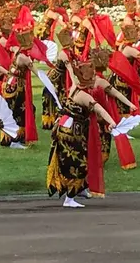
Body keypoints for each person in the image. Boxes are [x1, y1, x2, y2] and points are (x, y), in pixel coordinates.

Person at [46, 60, 117, 208]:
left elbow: (73, 75)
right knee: (78, 162)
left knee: (80, 158)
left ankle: (81, 188)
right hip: (71, 132)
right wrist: (111, 121)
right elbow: (99, 109)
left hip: (65, 127)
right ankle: (70, 197)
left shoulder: (74, 87)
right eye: (92, 80)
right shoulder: (84, 96)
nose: (95, 82)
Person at [42, 27, 77, 130]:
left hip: (62, 77)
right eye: (72, 39)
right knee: (54, 97)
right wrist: (74, 83)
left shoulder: (69, 51)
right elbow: (70, 68)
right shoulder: (64, 54)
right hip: (55, 78)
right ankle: (49, 121)